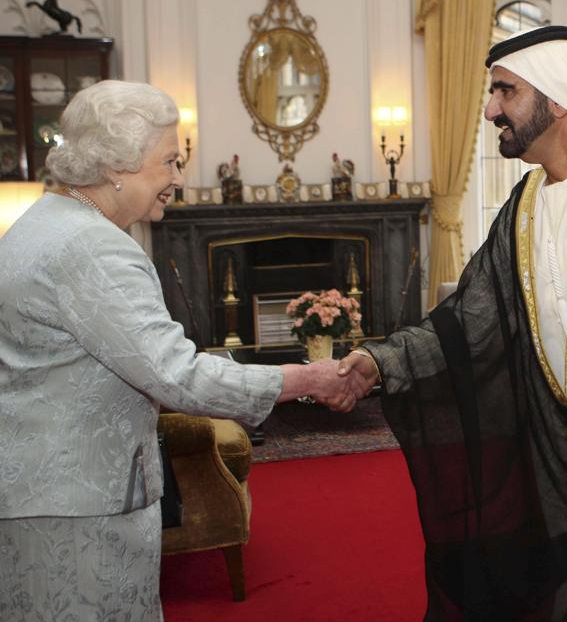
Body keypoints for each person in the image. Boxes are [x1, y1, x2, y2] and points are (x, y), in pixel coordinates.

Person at [0, 80, 366, 622]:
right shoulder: (93, 247)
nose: (178, 177)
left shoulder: (40, 223)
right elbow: (178, 376)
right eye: (169, 161)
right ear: (116, 165)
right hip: (81, 506)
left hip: (37, 493)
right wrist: (308, 378)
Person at [339, 25, 567, 621]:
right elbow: (467, 321)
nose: (491, 109)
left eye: (505, 91)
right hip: (561, 460)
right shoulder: (522, 207)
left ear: (559, 95)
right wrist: (378, 361)